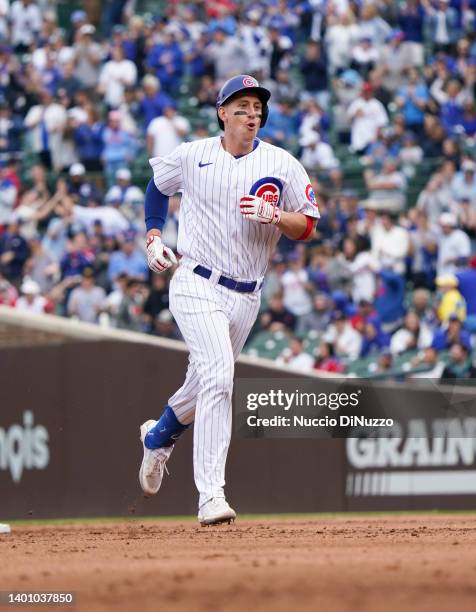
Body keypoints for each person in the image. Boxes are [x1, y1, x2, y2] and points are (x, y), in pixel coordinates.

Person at [139, 75, 319, 526]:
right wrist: (154, 235)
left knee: (204, 386)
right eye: (241, 106)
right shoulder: (193, 154)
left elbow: (308, 224)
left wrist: (277, 215)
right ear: (222, 112)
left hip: (246, 295)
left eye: (257, 107)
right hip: (195, 279)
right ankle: (210, 497)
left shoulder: (282, 163)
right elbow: (158, 185)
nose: (252, 114)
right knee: (219, 376)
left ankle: (158, 437)